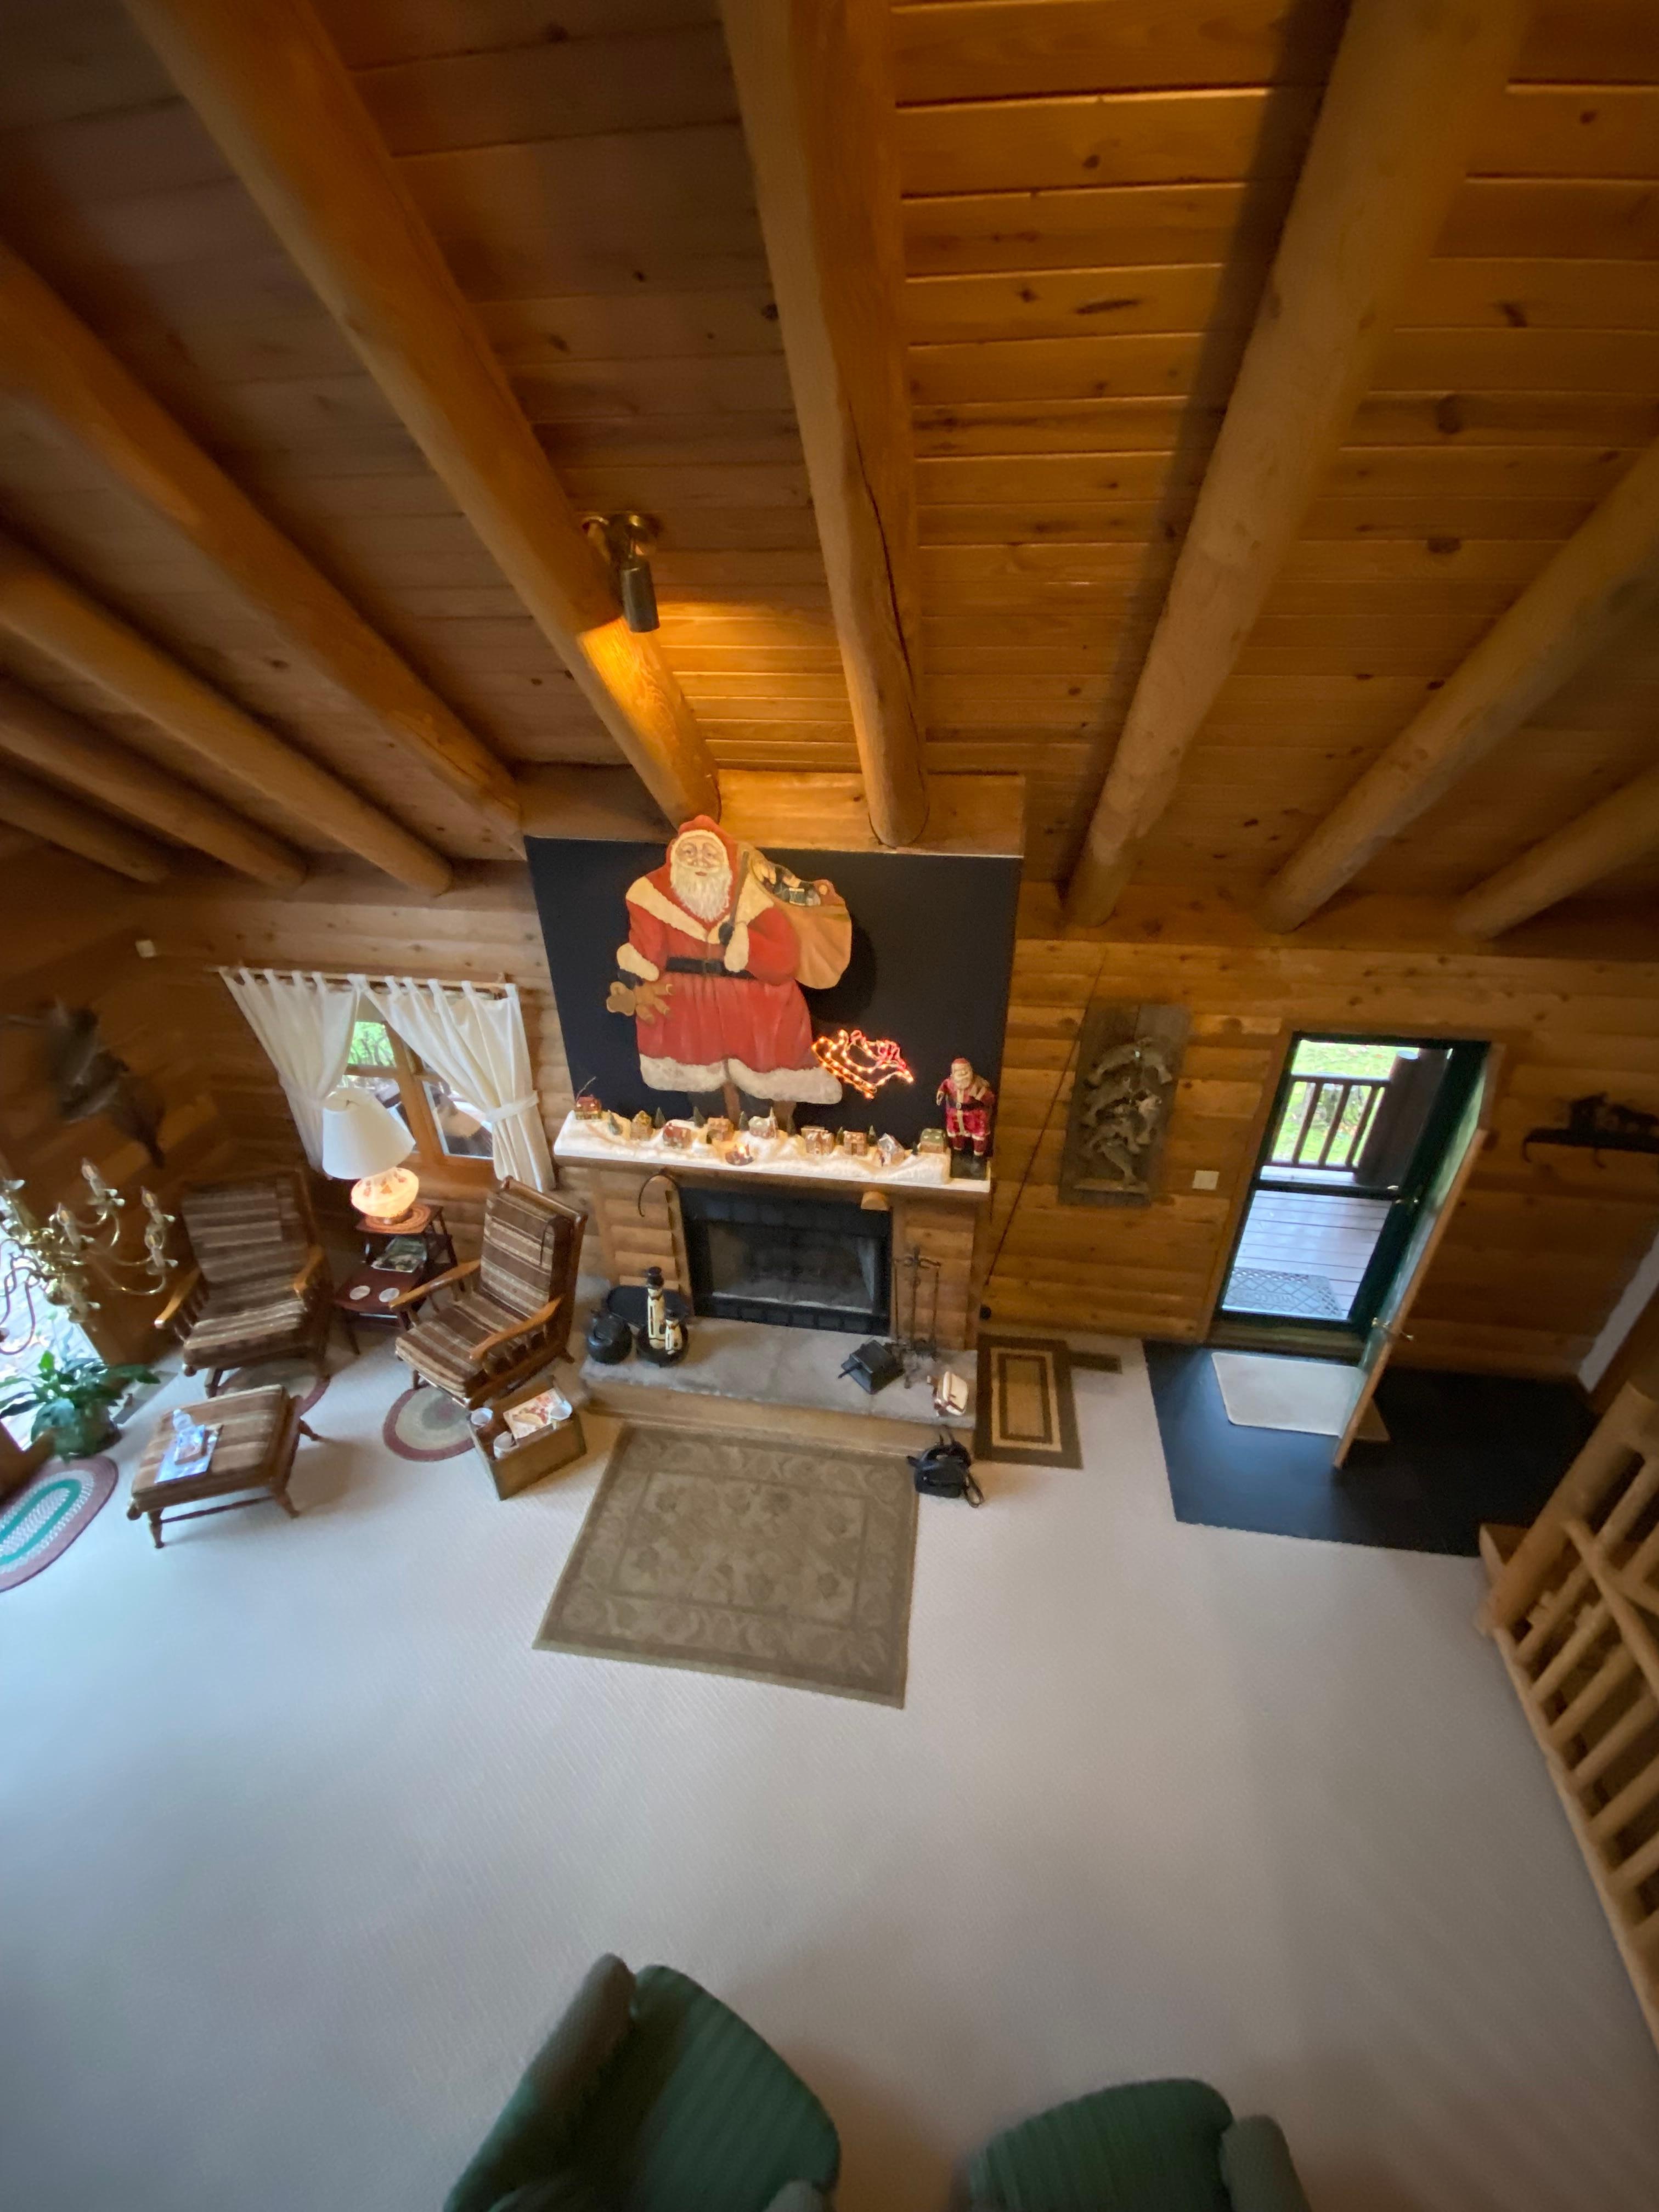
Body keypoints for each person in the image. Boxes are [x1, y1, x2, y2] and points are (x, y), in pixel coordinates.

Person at [606, 816, 851, 1113]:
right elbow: (649, 953)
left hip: (756, 1010)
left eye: (709, 853)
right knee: (703, 1093)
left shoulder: (751, 899)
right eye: (690, 852)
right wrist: (635, 976)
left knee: (762, 1094)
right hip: (689, 1009)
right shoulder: (652, 896)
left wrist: (745, 943)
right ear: (674, 857)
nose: (700, 860)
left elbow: (784, 959)